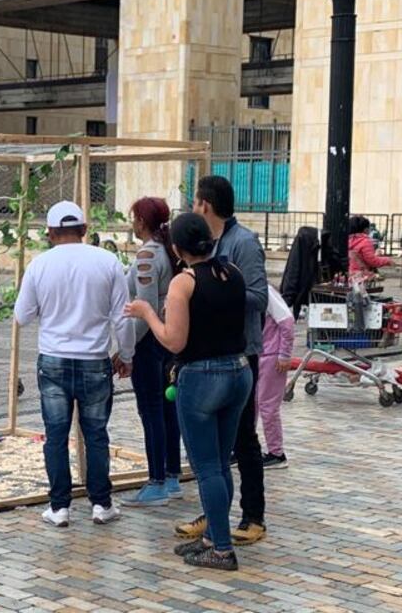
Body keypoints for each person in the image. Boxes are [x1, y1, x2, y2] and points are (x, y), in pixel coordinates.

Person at [125, 212, 251, 571]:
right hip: (239, 371)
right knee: (222, 461)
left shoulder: (184, 282)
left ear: (178, 249)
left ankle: (222, 549)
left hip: (201, 376)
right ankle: (214, 535)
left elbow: (174, 340)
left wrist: (147, 312)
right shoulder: (234, 273)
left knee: (207, 467)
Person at [14, 201, 132, 528]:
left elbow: (22, 316)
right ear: (84, 230)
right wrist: (126, 355)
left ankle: (60, 507)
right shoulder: (108, 262)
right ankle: (101, 503)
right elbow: (122, 318)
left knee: (55, 435)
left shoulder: (39, 265)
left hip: (53, 361)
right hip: (95, 360)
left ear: (50, 233)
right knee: (96, 434)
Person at [174, 176, 269, 547]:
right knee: (211, 449)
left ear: (205, 205)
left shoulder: (243, 243)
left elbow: (259, 297)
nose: (193, 206)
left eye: (195, 201)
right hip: (205, 355)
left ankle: (253, 515)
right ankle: (213, 515)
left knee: (243, 438)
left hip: (239, 352)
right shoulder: (205, 244)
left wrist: (216, 295)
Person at [122, 197, 181, 507]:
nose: (132, 222)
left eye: (134, 217)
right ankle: (171, 475)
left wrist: (125, 350)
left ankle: (156, 479)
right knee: (167, 408)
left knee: (152, 410)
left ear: (142, 221)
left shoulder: (148, 254)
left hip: (150, 342)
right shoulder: (168, 250)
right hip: (168, 336)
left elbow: (143, 309)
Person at [257, 285, 296, 469]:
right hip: (260, 353)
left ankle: (276, 452)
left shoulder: (266, 292)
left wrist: (284, 354)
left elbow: (287, 321)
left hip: (271, 356)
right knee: (253, 405)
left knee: (267, 405)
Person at [348, 216, 392, 281]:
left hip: (347, 275)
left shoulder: (347, 240)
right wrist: (387, 261)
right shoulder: (365, 241)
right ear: (365, 229)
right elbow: (372, 261)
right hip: (361, 276)